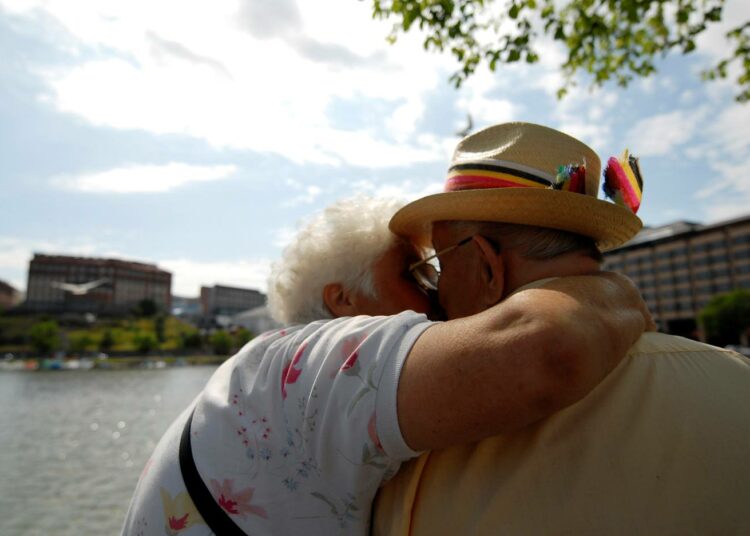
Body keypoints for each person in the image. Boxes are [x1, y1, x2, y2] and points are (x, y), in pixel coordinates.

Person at [121, 193, 649, 536]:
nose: (438, 290)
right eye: (416, 273)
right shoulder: (299, 369)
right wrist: (614, 289)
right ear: (343, 301)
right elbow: (549, 349)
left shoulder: (257, 382)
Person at [373, 121, 750, 535]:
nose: (437, 288)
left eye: (441, 265)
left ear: (486, 266)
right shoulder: (737, 380)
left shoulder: (430, 435)